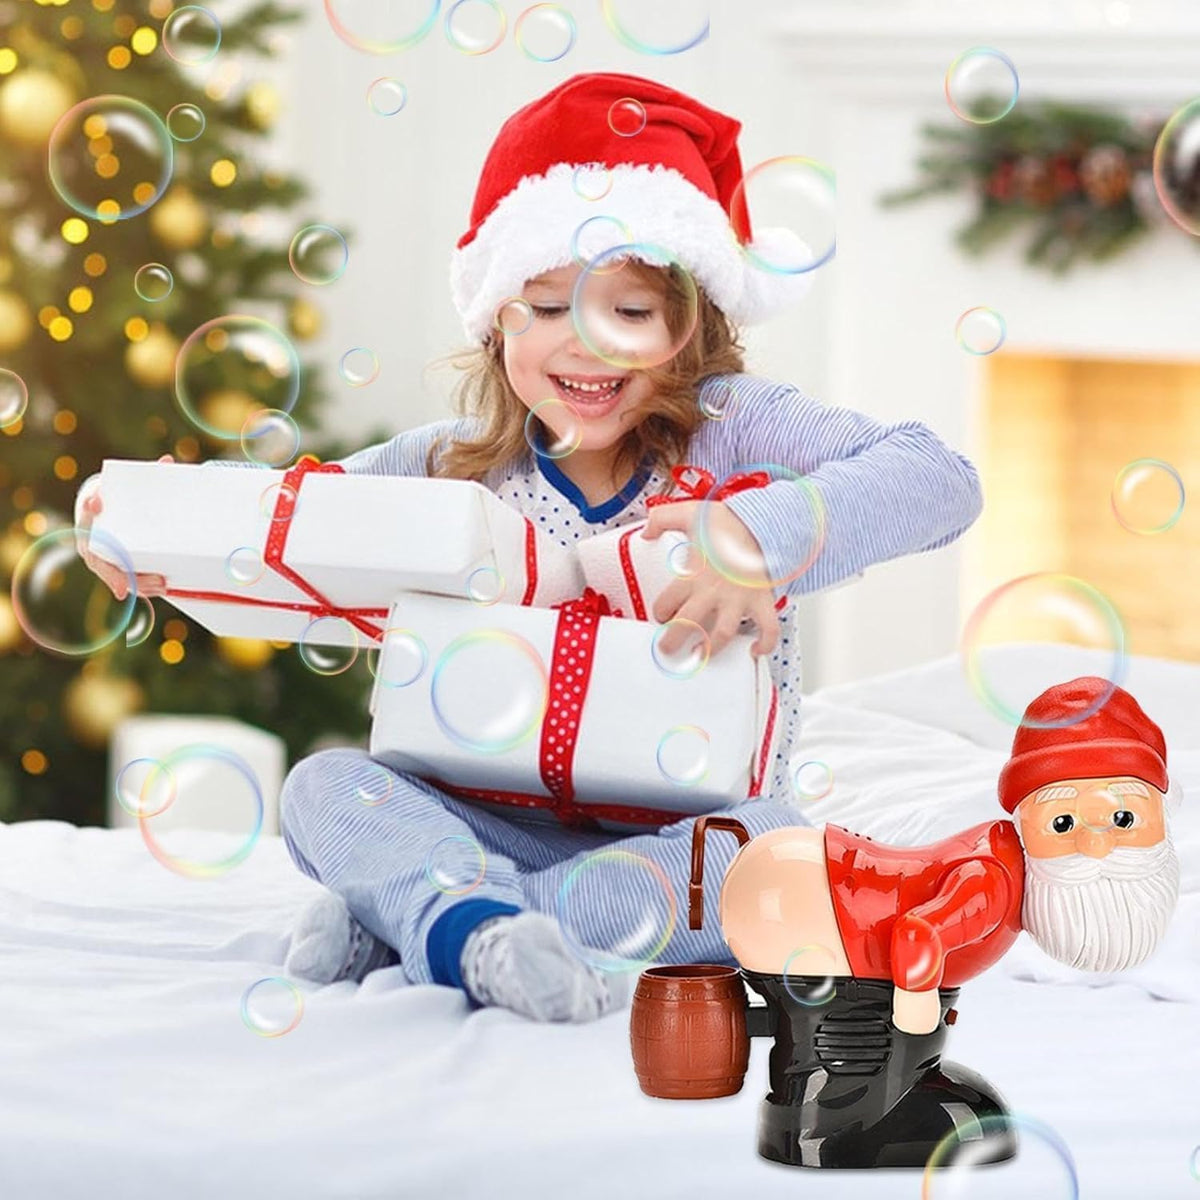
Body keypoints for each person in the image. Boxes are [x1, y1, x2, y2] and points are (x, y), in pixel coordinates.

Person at [77, 72, 983, 1023]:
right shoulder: (447, 461)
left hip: (675, 835)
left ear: (693, 324)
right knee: (327, 788)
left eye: (628, 313)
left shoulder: (733, 429)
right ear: (495, 319)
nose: (583, 347)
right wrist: (149, 528)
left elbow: (940, 477)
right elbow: (294, 512)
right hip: (474, 815)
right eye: (546, 307)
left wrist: (757, 535)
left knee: (774, 856)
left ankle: (438, 920)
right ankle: (460, 910)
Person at [712, 675, 1179, 1165]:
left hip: (796, 884)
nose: (1095, 845)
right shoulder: (995, 880)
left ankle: (868, 1100)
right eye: (1063, 825)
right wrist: (915, 1002)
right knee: (842, 1041)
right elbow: (918, 934)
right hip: (806, 897)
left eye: (1122, 821)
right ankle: (840, 1122)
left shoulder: (1005, 860)